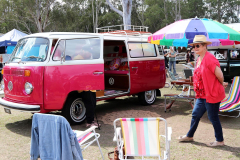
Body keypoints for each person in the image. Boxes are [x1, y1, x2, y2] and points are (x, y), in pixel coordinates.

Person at [178, 35, 228, 147]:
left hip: (211, 93)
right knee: (195, 115)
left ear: (205, 46)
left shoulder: (210, 59)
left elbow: (220, 75)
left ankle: (220, 140)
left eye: (197, 45)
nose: (195, 48)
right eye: (194, 46)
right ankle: (189, 136)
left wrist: (221, 83)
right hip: (202, 94)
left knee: (213, 117)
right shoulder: (199, 59)